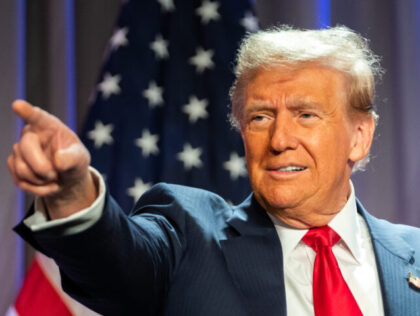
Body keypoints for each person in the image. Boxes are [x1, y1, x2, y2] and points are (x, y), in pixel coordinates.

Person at [8, 26, 420, 316]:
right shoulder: (189, 236)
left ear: (360, 136)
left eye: (306, 115)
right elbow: (117, 266)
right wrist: (71, 194)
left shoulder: (413, 258)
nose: (279, 140)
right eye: (259, 117)